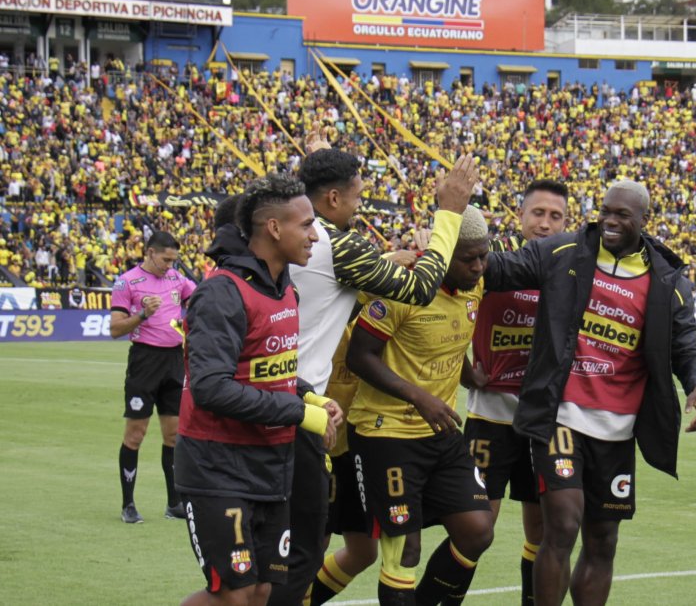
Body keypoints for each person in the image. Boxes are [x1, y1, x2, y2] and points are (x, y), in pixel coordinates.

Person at [482, 180, 696, 605]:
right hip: (562, 416)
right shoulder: (565, 253)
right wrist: (453, 237)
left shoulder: (666, 281)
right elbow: (497, 268)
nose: (609, 220)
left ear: (643, 221)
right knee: (563, 523)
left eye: (621, 215)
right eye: (604, 210)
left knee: (603, 540)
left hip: (618, 430)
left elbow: (688, 348)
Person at [280, 143, 478, 606]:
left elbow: (333, 280)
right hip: (306, 409)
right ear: (332, 199)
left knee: (354, 549)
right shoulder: (333, 242)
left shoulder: (294, 236)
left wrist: (384, 263)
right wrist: (448, 213)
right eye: (356, 196)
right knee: (300, 549)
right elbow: (423, 287)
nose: (360, 203)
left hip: (316, 409)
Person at [175, 173, 342, 606]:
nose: (315, 234)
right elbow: (211, 388)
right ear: (273, 228)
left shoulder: (284, 287)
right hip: (217, 466)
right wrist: (297, 411)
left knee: (265, 590)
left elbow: (272, 371)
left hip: (271, 467)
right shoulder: (222, 292)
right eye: (306, 224)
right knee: (236, 593)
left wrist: (309, 396)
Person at [344, 206, 495, 606]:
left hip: (441, 434)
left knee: (478, 530)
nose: (479, 266)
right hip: (386, 432)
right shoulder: (402, 288)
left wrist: (468, 376)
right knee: (403, 551)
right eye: (469, 259)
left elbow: (443, 343)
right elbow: (359, 357)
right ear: (444, 255)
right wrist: (418, 396)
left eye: (484, 255)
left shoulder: (473, 287)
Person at [463, 180, 570, 604]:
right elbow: (444, 318)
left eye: (555, 216)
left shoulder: (570, 272)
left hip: (545, 420)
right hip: (490, 414)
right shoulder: (489, 265)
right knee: (476, 529)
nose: (545, 223)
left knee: (542, 530)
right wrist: (461, 372)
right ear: (520, 216)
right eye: (538, 213)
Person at [110, 231, 196, 523]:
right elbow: (115, 329)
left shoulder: (176, 279)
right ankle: (128, 504)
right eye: (165, 259)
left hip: (174, 360)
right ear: (149, 252)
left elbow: (199, 297)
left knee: (173, 435)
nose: (169, 266)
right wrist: (143, 315)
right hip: (145, 360)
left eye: (174, 261)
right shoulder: (127, 282)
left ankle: (174, 504)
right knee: (136, 434)